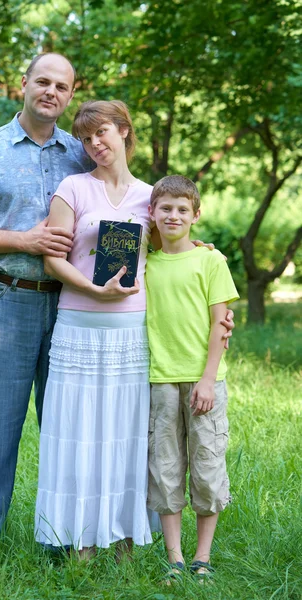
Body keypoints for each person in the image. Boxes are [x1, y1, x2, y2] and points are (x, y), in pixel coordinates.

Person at [34, 102, 234, 559]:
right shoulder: (72, 187)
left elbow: (171, 248)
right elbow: (53, 257)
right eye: (85, 139)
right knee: (80, 432)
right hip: (79, 327)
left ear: (124, 131)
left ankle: (124, 537)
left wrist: (207, 258)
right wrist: (93, 288)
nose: (95, 145)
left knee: (127, 435)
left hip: (131, 332)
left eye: (102, 133)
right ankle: (81, 539)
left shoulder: (149, 196)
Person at [0, 53, 93, 558]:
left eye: (62, 86)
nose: (51, 91)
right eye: (43, 82)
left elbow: (125, 206)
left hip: (73, 307)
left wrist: (184, 242)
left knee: (66, 428)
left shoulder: (83, 154)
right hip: (7, 299)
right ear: (23, 85)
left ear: (72, 95)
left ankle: (64, 541)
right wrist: (24, 241)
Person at [145, 175, 239, 582]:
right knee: (164, 468)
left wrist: (207, 377)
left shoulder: (210, 261)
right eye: (165, 207)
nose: (173, 215)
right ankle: (175, 558)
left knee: (206, 465)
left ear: (196, 215)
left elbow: (222, 323)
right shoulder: (145, 263)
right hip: (159, 378)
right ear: (152, 213)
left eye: (182, 209)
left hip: (204, 380)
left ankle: (202, 557)